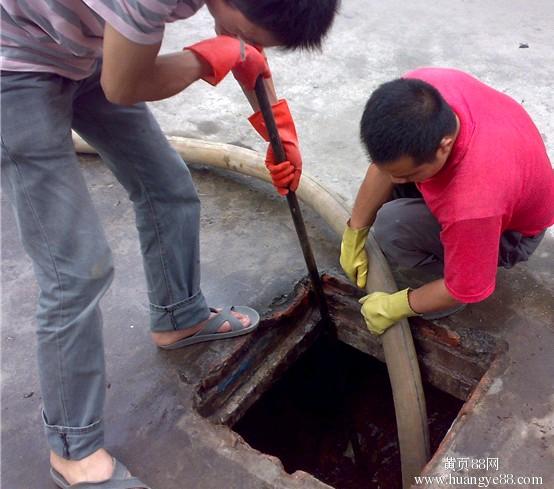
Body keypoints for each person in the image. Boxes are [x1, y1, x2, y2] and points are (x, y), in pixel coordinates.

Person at [1, 0, 340, 486]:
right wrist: (209, 56)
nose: (257, 45)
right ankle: (72, 451)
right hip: (15, 67)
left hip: (84, 49)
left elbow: (248, 59)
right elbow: (125, 86)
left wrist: (278, 133)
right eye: (254, 33)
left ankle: (179, 318)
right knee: (77, 269)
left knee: (169, 189)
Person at [340, 67, 554, 336]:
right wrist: (354, 233)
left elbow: (464, 287)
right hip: (504, 177)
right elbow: (386, 171)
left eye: (409, 174)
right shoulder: (422, 90)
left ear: (444, 145)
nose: (396, 180)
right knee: (389, 190)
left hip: (512, 233)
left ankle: (437, 291)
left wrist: (395, 306)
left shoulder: (474, 203)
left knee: (392, 228)